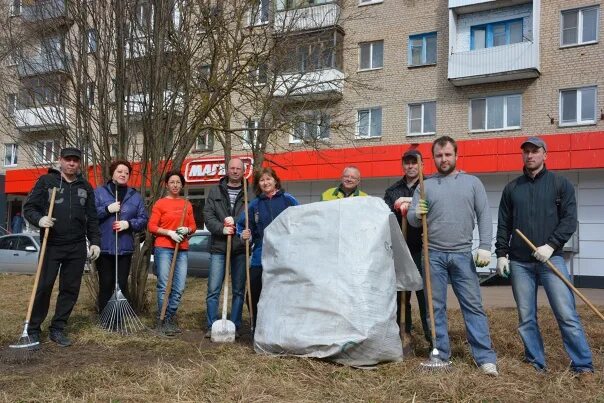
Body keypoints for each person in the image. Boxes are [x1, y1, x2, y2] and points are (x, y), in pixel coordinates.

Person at [495, 137, 593, 374]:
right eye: (526, 152)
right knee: (526, 318)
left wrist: (551, 245)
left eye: (535, 151)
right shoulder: (512, 189)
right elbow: (504, 225)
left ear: (545, 155)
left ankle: (583, 365)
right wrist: (501, 254)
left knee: (567, 314)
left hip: (552, 260)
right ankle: (536, 363)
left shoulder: (561, 184)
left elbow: (569, 221)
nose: (530, 155)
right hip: (520, 262)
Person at [408, 136, 498, 376]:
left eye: (448, 154)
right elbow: (411, 221)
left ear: (456, 155)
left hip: (461, 254)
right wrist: (417, 213)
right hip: (433, 254)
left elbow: (484, 216)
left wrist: (485, 246)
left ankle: (485, 358)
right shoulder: (424, 185)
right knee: (434, 307)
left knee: (473, 306)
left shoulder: (472, 183)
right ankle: (440, 354)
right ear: (433, 158)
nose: (444, 159)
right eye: (439, 155)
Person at [23, 147, 101, 347]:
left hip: (76, 246)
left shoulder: (85, 185)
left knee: (70, 289)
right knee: (44, 287)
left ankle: (57, 329)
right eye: (68, 160)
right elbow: (29, 207)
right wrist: (39, 219)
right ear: (60, 160)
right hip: (52, 244)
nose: (72, 163)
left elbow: (92, 217)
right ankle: (32, 329)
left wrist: (95, 242)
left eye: (75, 160)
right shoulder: (46, 181)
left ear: (79, 163)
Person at [237, 167, 298, 330]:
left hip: (285, 255)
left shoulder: (288, 200)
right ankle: (257, 326)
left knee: (282, 292)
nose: (265, 182)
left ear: (275, 180)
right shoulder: (255, 205)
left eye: (268, 179)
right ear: (259, 184)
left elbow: (302, 220)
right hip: (260, 256)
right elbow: (241, 225)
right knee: (253, 293)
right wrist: (244, 235)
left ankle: (281, 328)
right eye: (262, 180)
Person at [383, 149, 430, 344]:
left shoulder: (430, 186)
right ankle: (405, 336)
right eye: (407, 163)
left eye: (414, 162)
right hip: (401, 250)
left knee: (425, 296)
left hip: (424, 249)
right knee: (403, 294)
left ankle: (432, 338)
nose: (411, 166)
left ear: (422, 165)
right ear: (403, 165)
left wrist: (412, 204)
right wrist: (395, 208)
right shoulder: (393, 191)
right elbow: (384, 217)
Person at [94, 160, 148, 313]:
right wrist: (107, 209)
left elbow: (143, 219)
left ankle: (118, 317)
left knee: (121, 283)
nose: (123, 175)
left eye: (126, 173)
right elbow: (90, 216)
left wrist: (129, 224)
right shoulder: (100, 192)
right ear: (112, 173)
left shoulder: (135, 196)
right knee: (106, 283)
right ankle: (105, 317)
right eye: (120, 171)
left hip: (124, 247)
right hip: (104, 247)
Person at [148, 170, 197, 335]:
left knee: (179, 286)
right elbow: (152, 226)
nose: (175, 185)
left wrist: (187, 229)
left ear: (182, 185)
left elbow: (193, 226)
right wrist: (169, 233)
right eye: (172, 182)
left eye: (178, 182)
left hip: (181, 249)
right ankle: (162, 321)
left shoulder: (186, 204)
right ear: (167, 185)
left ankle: (169, 316)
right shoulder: (160, 204)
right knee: (164, 285)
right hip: (163, 248)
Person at [203, 158, 248, 338]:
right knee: (213, 289)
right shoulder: (215, 190)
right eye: (232, 168)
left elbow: (252, 215)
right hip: (219, 247)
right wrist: (221, 229)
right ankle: (211, 325)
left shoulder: (249, 191)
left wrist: (237, 225)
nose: (235, 171)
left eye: (238, 168)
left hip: (240, 247)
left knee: (238, 290)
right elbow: (208, 214)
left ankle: (234, 326)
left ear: (243, 171)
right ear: (227, 170)